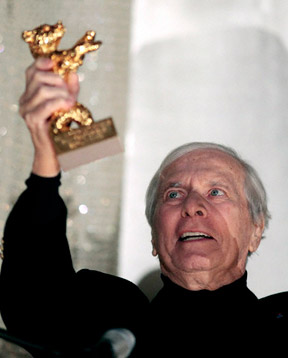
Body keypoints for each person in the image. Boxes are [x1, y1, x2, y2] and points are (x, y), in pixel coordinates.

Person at [0, 58, 287, 357]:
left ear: (256, 228)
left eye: (216, 192)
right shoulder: (113, 326)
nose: (192, 207)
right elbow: (34, 295)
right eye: (174, 195)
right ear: (154, 236)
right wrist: (47, 160)